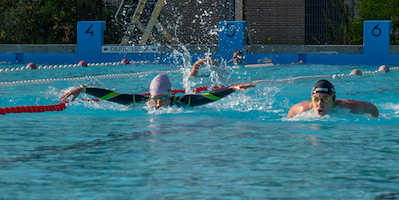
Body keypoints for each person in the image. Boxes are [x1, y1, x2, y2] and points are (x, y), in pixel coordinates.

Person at [61, 72, 255, 110]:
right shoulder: (141, 100)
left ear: (170, 94)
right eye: (154, 98)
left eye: (162, 98)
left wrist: (230, 89)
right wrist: (83, 89)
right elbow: (113, 96)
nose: (157, 103)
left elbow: (208, 97)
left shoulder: (182, 102)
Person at [288, 78, 378, 118]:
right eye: (315, 99)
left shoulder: (348, 107)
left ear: (333, 100)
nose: (319, 103)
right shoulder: (303, 109)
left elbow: (373, 108)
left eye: (325, 99)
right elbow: (290, 115)